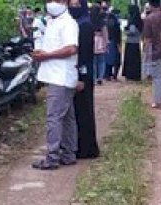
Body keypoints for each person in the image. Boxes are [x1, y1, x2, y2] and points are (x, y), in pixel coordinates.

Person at [31, 0, 80, 170]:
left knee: (54, 117)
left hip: (61, 76)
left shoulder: (68, 23)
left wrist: (47, 55)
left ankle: (52, 157)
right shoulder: (51, 21)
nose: (52, 3)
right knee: (66, 117)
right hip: (57, 75)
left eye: (57, 0)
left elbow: (71, 49)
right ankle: (68, 154)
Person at [71, 0, 101, 160]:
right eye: (71, 4)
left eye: (76, 4)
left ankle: (86, 148)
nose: (73, 7)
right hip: (77, 73)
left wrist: (81, 77)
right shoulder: (77, 23)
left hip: (83, 75)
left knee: (84, 110)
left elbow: (85, 55)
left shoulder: (85, 25)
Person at [122, 4, 144, 81]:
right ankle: (135, 75)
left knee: (130, 60)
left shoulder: (133, 20)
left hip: (131, 42)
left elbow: (132, 31)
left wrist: (125, 31)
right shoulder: (139, 19)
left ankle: (130, 75)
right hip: (136, 42)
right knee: (135, 60)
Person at [91, 6, 109, 85]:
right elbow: (105, 33)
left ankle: (94, 78)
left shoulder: (89, 20)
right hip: (100, 41)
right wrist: (106, 43)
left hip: (92, 41)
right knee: (101, 61)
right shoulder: (101, 21)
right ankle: (100, 77)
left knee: (93, 62)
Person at [105, 5, 123, 80]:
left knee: (108, 59)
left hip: (109, 41)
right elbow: (118, 34)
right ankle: (114, 75)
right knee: (116, 59)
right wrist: (119, 45)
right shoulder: (116, 23)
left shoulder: (107, 22)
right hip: (115, 42)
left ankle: (108, 75)